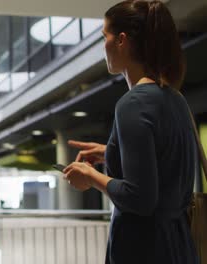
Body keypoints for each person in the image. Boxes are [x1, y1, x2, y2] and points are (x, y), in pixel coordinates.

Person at [63, 1, 199, 263]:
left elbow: (140, 198)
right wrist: (111, 151)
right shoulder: (175, 99)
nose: (103, 45)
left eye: (105, 36)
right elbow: (164, 160)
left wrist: (89, 176)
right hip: (180, 246)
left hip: (143, 249)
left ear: (122, 40)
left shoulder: (132, 104)